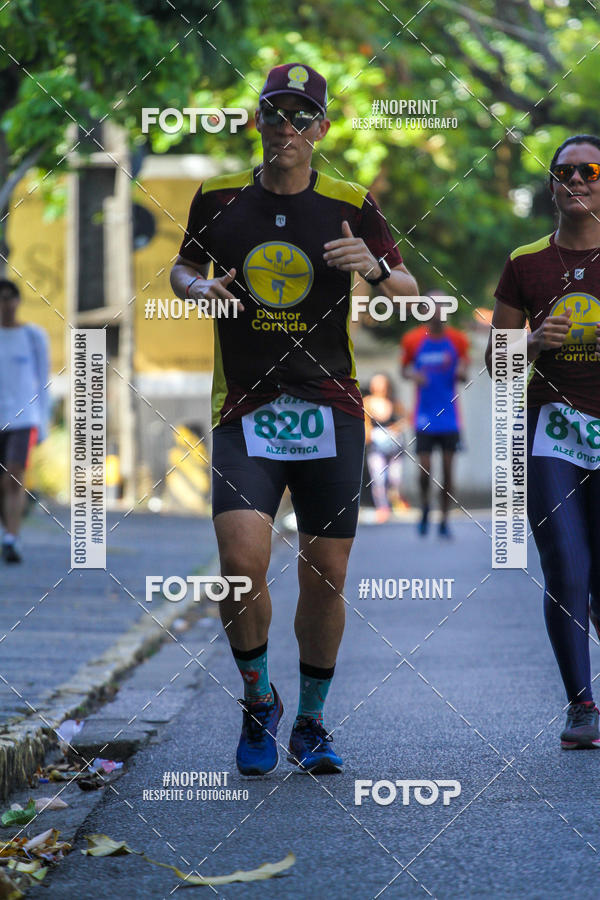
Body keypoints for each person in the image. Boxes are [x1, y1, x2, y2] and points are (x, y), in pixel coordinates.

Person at [170, 62, 418, 775]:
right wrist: (199, 287)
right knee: (241, 565)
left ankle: (310, 721)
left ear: (322, 128)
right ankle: (257, 701)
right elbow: (183, 269)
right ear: (256, 119)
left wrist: (370, 265)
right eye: (275, 113)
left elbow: (408, 287)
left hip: (330, 408)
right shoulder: (219, 199)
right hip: (245, 405)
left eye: (301, 116)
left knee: (325, 573)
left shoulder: (349, 201)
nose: (286, 126)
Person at [485, 134, 600, 749]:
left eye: (589, 170)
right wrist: (533, 343)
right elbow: (495, 363)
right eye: (564, 172)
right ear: (553, 184)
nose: (576, 180)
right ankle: (581, 707)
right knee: (567, 564)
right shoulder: (526, 263)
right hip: (552, 432)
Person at [400, 294, 468, 538]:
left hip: (450, 418)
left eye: (442, 306)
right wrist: (414, 376)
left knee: (448, 471)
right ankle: (426, 508)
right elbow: (404, 369)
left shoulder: (458, 339)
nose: (438, 311)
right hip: (424, 416)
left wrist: (461, 371)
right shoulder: (413, 339)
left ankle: (445, 518)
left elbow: (464, 369)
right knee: (424, 470)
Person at [0, 279, 50, 563]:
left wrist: (41, 423)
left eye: (10, 298)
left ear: (18, 302)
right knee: (3, 483)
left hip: (23, 419)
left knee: (14, 478)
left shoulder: (33, 336)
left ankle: (12, 538)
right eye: (1, 299)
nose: (6, 304)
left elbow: (43, 382)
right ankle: (8, 532)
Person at [363, 373, 407, 523]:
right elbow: (364, 423)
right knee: (379, 478)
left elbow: (405, 418)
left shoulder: (393, 402)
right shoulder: (367, 402)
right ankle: (382, 508)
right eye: (376, 384)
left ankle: (395, 501)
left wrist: (395, 429)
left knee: (395, 477)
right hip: (376, 446)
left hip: (394, 445)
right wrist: (372, 435)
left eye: (382, 384)